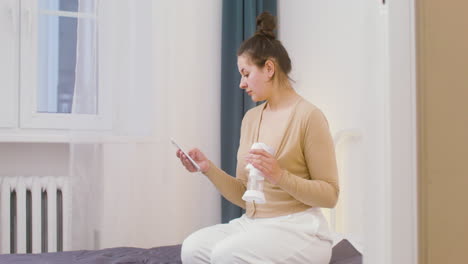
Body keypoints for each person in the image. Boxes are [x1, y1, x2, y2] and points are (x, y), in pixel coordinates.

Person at [176, 11, 339, 264]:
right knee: (192, 248)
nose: (241, 83)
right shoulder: (251, 119)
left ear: (269, 69)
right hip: (254, 224)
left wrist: (280, 176)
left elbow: (330, 195)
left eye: (246, 73)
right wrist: (207, 169)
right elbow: (244, 191)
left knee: (225, 254)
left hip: (300, 229)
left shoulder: (309, 117)